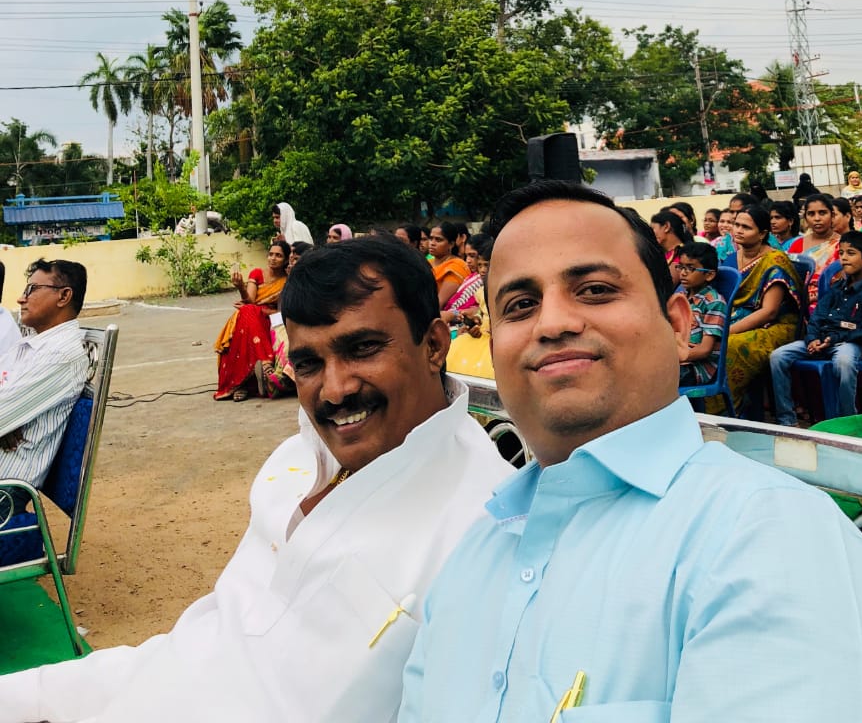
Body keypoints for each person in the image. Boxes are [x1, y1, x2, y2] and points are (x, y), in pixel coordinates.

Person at [398, 180, 862, 722]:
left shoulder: (770, 538)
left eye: (595, 290)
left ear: (678, 324)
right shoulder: (477, 552)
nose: (552, 323)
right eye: (520, 305)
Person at [0, 237, 510, 723]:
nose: (334, 390)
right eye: (308, 363)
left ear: (434, 345)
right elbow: (205, 646)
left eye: (363, 348)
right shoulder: (295, 462)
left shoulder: (487, 532)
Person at [770, 232, 862, 426]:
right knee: (778, 356)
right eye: (842, 253)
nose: (844, 258)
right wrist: (812, 338)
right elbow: (817, 317)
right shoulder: (837, 287)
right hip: (821, 339)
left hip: (847, 342)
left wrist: (834, 338)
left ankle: (847, 421)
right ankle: (786, 419)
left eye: (851, 253)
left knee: (844, 362)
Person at [0, 260, 89, 487]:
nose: (21, 299)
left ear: (63, 296)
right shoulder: (32, 344)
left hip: (5, 490)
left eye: (32, 289)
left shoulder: (59, 355)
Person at [726, 203, 804, 411]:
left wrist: (728, 331)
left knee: (729, 346)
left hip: (777, 325)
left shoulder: (774, 261)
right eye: (736, 225)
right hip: (739, 318)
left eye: (746, 227)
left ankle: (731, 411)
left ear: (762, 234)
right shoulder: (732, 258)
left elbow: (769, 312)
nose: (738, 230)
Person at [214, 240, 290, 401]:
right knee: (249, 312)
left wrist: (265, 311)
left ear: (285, 260)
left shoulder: (287, 280)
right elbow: (250, 301)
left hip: (271, 319)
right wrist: (241, 287)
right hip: (252, 316)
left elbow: (284, 309)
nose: (273, 258)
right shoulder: (257, 273)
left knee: (249, 311)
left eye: (278, 255)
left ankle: (244, 385)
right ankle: (265, 364)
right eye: (271, 254)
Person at [676, 241, 725, 387]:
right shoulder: (680, 297)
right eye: (681, 267)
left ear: (709, 275)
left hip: (696, 368)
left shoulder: (714, 302)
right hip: (677, 359)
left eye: (690, 268)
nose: (683, 273)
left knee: (650, 377)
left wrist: (672, 359)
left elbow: (704, 350)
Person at [788, 193, 839, 305]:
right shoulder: (797, 244)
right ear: (805, 218)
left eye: (822, 213)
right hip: (801, 303)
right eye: (811, 214)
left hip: (834, 303)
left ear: (832, 215)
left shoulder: (843, 244)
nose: (817, 218)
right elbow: (790, 279)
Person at [440, 233, 487, 326]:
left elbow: (472, 312)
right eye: (467, 256)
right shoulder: (471, 277)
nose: (468, 260)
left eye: (472, 256)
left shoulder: (483, 281)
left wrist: (452, 314)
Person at [427, 221, 471, 312]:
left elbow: (439, 303)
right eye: (431, 238)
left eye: (438, 240)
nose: (432, 243)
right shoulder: (426, 262)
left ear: (451, 244)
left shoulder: (455, 267)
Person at [649, 209, 690, 286]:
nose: (650, 234)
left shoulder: (683, 254)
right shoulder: (662, 253)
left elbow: (666, 285)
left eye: (652, 229)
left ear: (666, 227)